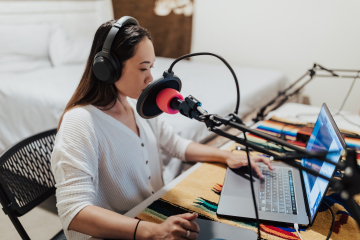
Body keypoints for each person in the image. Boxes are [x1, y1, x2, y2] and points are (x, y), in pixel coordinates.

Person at [51, 18, 274, 240]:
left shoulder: (136, 106)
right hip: (121, 232)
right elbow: (74, 213)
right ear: (108, 69)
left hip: (150, 215)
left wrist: (226, 156)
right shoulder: (80, 122)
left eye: (152, 67)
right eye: (142, 68)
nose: (150, 78)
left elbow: (174, 144)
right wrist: (153, 231)